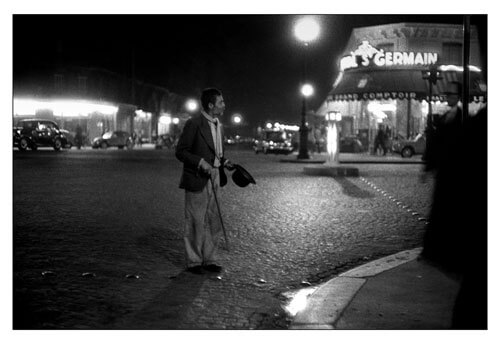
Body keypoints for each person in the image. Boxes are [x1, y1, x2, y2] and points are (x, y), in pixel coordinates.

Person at [175, 88, 234, 275]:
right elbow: (181, 152)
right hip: (198, 177)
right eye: (221, 102)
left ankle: (210, 259)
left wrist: (224, 161)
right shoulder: (194, 124)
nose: (224, 105)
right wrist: (201, 163)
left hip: (215, 176)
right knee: (195, 220)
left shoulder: (219, 125)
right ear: (210, 105)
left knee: (213, 220)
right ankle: (194, 261)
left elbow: (217, 152)